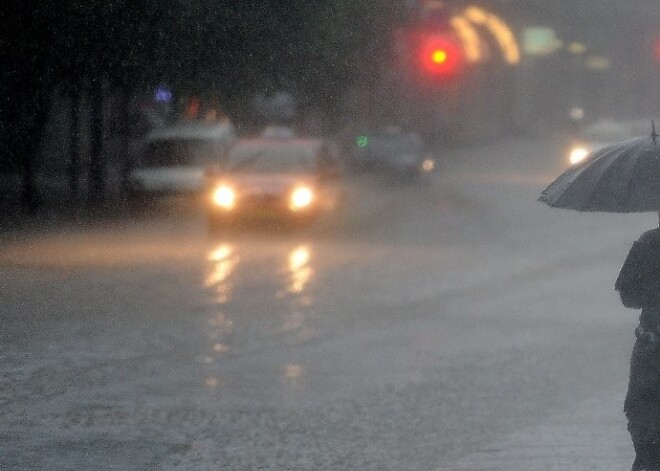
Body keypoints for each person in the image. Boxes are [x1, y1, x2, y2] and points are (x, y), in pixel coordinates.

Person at [616, 226, 660, 470]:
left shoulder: (648, 243)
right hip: (651, 351)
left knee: (645, 426)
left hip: (651, 350)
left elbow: (627, 295)